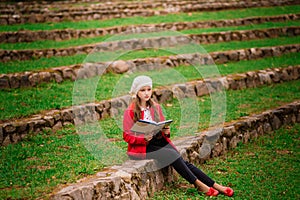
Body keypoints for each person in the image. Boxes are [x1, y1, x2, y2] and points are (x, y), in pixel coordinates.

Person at [122, 75, 234, 197]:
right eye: (142, 90)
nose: (146, 93)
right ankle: (198, 185)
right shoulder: (130, 111)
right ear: (136, 92)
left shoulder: (155, 107)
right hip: (141, 148)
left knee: (183, 161)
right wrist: (143, 139)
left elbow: (160, 127)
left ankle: (215, 185)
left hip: (157, 142)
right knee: (172, 155)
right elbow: (127, 136)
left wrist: (165, 131)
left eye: (149, 89)